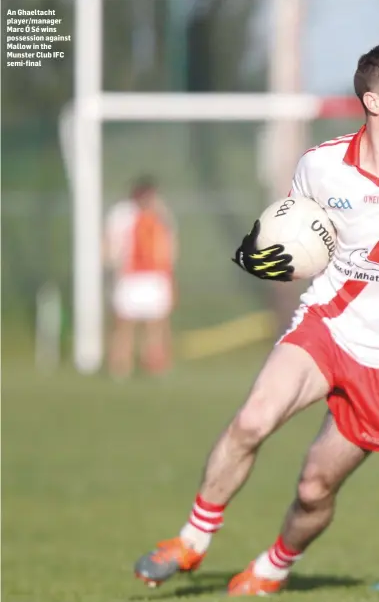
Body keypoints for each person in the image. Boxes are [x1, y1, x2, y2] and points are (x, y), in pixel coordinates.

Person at [134, 46, 379, 595]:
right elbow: (294, 237)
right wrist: (272, 258)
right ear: (372, 100)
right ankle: (193, 539)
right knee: (251, 420)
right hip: (327, 324)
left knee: (316, 487)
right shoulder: (320, 165)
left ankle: (274, 566)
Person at [104, 176, 177, 377]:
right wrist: (111, 264)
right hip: (130, 276)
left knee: (155, 325)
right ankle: (120, 366)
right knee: (124, 325)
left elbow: (169, 243)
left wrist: (168, 272)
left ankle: (155, 365)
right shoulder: (122, 214)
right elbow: (111, 243)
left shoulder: (160, 214)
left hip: (154, 276)